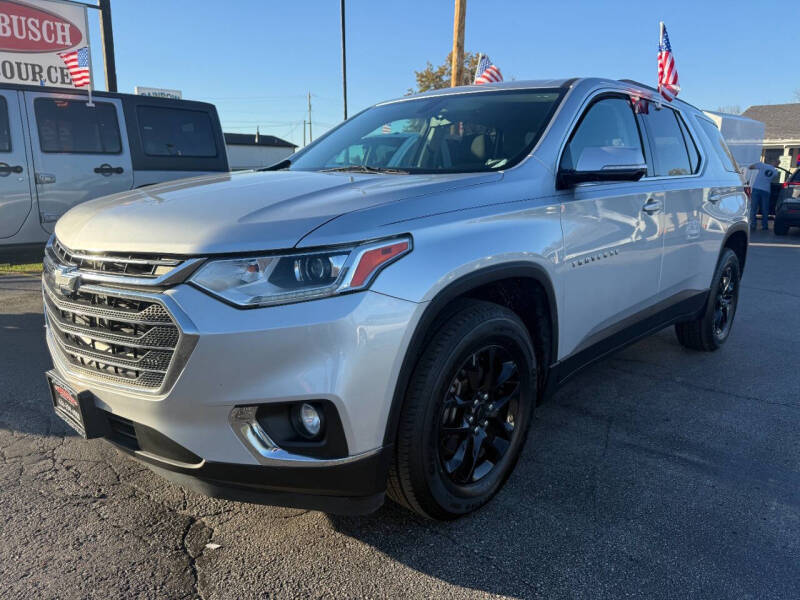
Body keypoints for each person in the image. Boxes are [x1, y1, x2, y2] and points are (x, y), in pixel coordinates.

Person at [747, 159, 780, 231]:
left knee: (753, 208)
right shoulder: (775, 172)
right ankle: (764, 226)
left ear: (772, 161)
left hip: (756, 188)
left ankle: (753, 225)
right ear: (777, 164)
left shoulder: (762, 165)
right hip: (766, 190)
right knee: (765, 209)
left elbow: (750, 167)